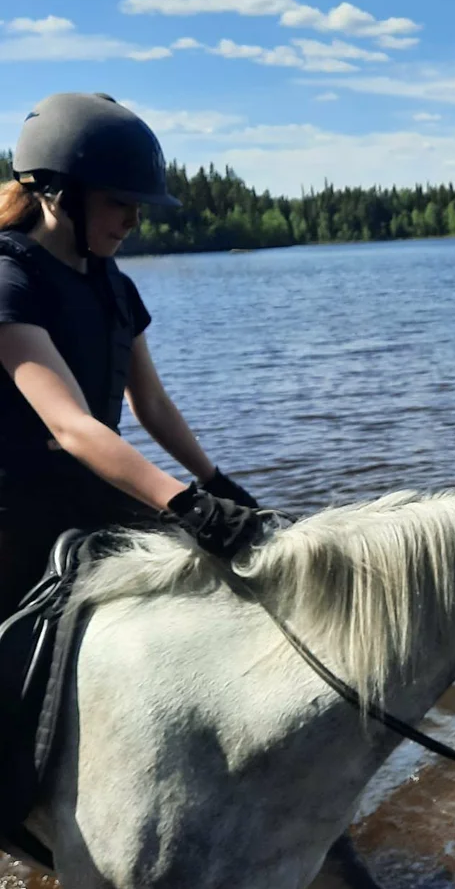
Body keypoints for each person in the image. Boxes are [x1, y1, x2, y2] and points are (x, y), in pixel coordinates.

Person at [0, 92, 264, 621]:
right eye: (118, 202)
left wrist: (214, 483)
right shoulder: (11, 281)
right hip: (14, 514)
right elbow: (72, 425)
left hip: (95, 496)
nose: (135, 220)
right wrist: (187, 506)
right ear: (57, 193)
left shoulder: (114, 286)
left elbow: (152, 404)